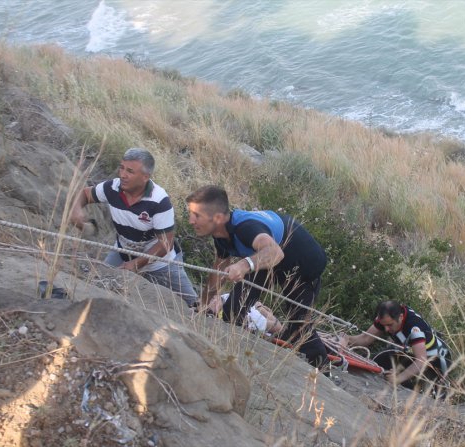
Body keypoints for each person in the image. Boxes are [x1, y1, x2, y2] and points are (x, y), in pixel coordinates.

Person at [185, 185, 329, 369]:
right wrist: (203, 303)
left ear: (218, 218)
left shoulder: (246, 228)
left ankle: (324, 370)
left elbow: (275, 252)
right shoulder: (220, 233)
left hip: (303, 261)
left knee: (299, 325)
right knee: (233, 309)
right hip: (264, 258)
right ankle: (233, 356)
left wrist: (244, 265)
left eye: (196, 215)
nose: (190, 220)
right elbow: (219, 268)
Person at [69, 148, 198, 306]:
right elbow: (85, 194)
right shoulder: (112, 188)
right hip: (123, 253)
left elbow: (165, 243)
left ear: (145, 177)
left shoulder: (159, 200)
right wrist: (75, 212)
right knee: (98, 283)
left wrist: (135, 264)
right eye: (121, 167)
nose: (122, 174)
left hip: (161, 262)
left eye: (130, 171)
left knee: (192, 303)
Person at [340, 300, 451, 395]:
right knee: (379, 361)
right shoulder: (386, 319)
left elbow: (421, 361)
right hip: (411, 352)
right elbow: (365, 339)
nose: (386, 329)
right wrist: (347, 339)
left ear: (401, 317)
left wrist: (398, 378)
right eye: (384, 325)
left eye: (390, 325)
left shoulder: (414, 327)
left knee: (432, 394)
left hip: (437, 361)